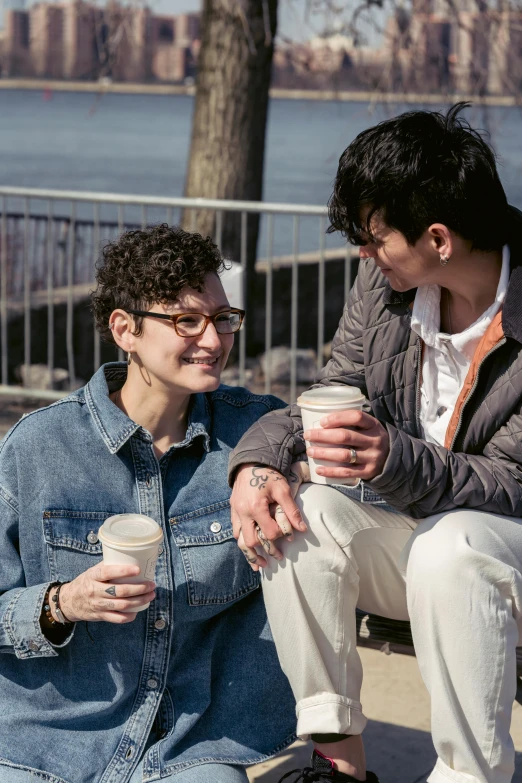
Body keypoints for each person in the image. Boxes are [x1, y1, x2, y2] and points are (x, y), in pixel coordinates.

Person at [229, 103, 522, 783]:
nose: (362, 251)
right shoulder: (387, 286)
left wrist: (393, 458)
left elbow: (511, 483)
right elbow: (337, 386)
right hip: (425, 546)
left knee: (456, 547)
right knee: (305, 521)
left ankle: (470, 773)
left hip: (497, 549)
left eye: (374, 236)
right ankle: (339, 766)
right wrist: (259, 462)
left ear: (439, 239)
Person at [0, 224, 296, 783]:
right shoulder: (38, 448)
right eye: (186, 320)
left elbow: (354, 501)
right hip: (47, 738)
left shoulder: (259, 431)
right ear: (125, 329)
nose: (213, 340)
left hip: (194, 740)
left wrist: (270, 457)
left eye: (222, 319)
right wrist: (62, 603)